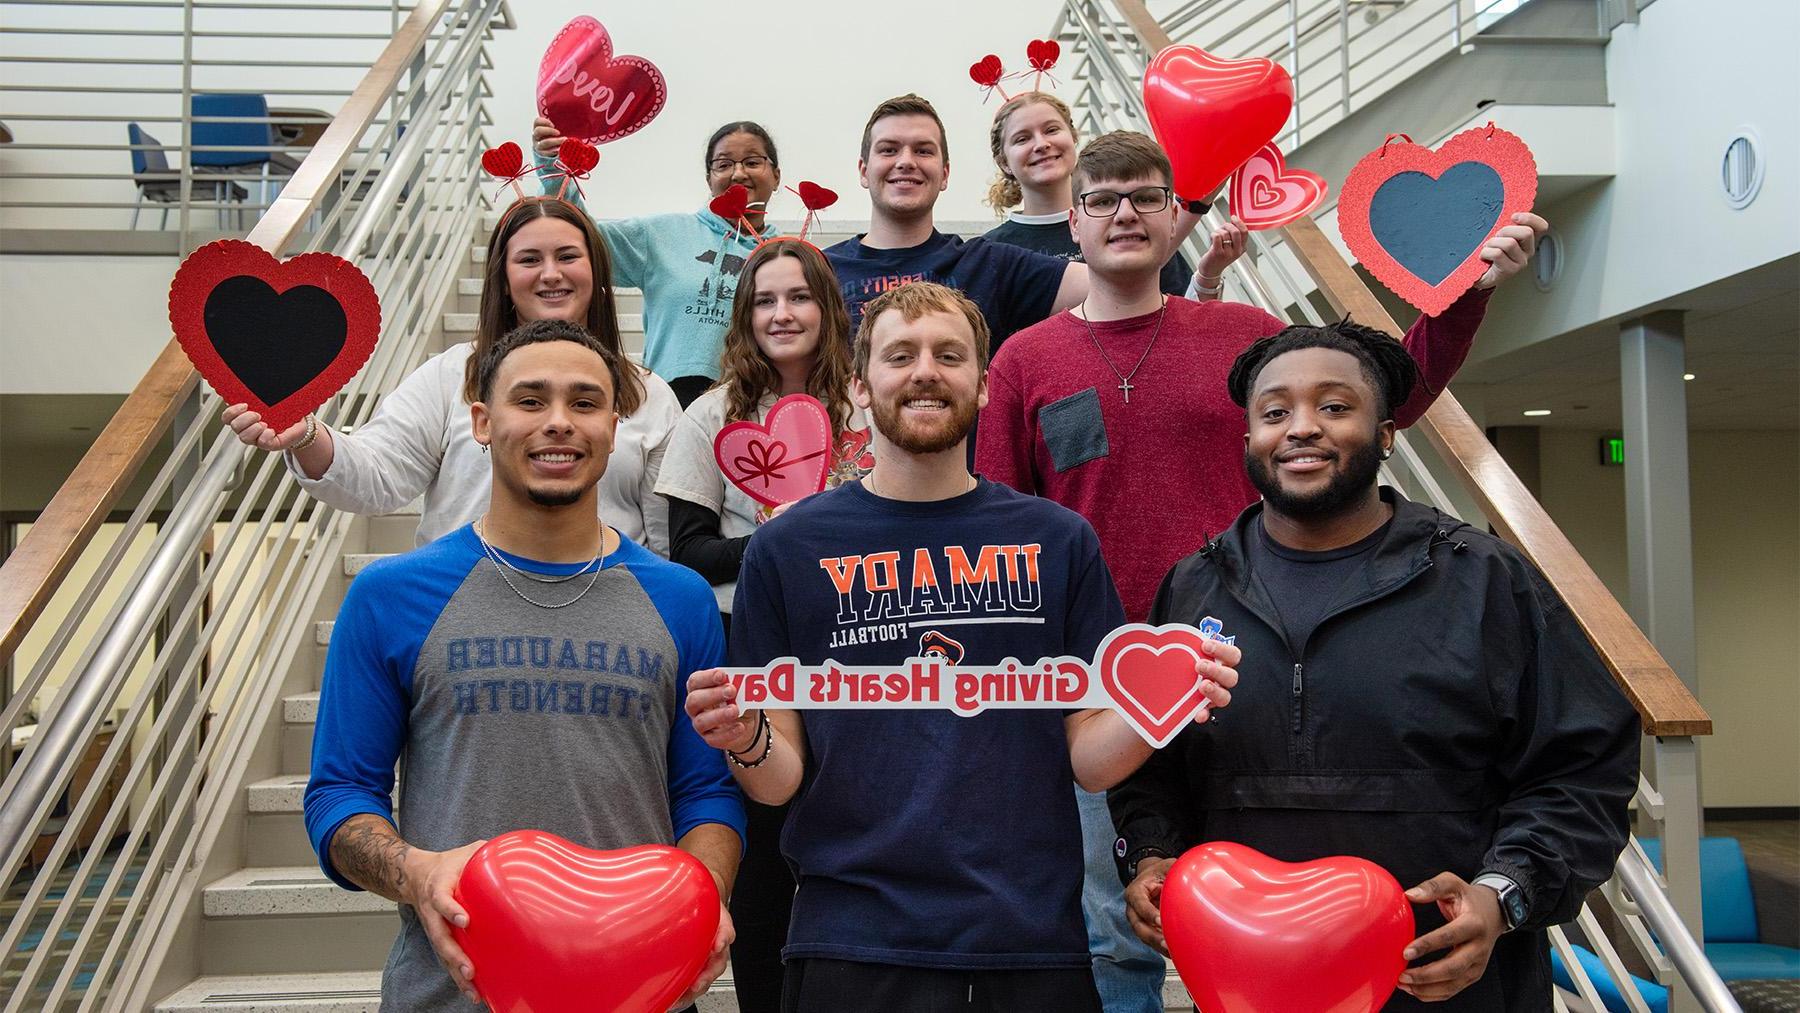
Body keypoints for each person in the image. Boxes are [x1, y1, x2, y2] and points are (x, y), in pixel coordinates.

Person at [682, 282, 1241, 1012]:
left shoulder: (1058, 539)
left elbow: (1089, 760)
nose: (925, 371)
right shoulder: (788, 546)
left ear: (981, 387)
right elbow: (775, 780)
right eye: (900, 355)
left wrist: (1163, 704)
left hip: (1028, 936)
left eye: (950, 356)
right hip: (851, 935)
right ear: (858, 384)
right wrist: (744, 735)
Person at [1109, 320, 1638, 1011]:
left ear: (1387, 434)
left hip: (1446, 980)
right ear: (1249, 442)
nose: (1301, 428)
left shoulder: (1482, 580)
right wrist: (1152, 856)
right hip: (1247, 980)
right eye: (1275, 412)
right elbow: (1151, 764)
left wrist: (1502, 894)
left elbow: (1582, 764)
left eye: (1334, 406)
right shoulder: (1194, 588)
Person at [301, 318, 746, 1012]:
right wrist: (418, 873)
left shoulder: (681, 600)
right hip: (447, 997)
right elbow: (337, 797)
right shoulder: (390, 597)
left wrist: (705, 894)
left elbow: (708, 793)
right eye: (530, 400)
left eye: (586, 402)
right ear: (481, 420)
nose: (560, 423)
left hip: (643, 990)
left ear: (616, 423)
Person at [979, 130, 1549, 622]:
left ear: (1174, 215)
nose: (1126, 214)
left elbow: (1385, 396)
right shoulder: (1022, 362)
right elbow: (998, 528)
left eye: (1147, 198)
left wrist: (1465, 296)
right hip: (1093, 651)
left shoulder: (1248, 335)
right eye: (1103, 201)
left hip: (1254, 632)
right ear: (1074, 224)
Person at [653, 236, 872, 1013]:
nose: (783, 313)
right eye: (765, 299)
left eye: (799, 296)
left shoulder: (871, 404)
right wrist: (788, 531)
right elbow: (690, 551)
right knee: (768, 861)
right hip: (752, 655)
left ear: (828, 306)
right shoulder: (714, 412)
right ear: (745, 315)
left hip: (860, 655)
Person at [224, 197, 683, 555]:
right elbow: (379, 477)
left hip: (606, 615)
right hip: (460, 610)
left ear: (596, 272)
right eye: (529, 260)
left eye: (567, 256)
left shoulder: (648, 394)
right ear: (502, 278)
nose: (550, 274)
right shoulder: (450, 376)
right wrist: (305, 434)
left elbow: (665, 538)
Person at [533, 116, 784, 405]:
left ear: (776, 175)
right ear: (709, 179)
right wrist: (553, 165)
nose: (738, 173)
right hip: (666, 399)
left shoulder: (784, 254)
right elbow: (582, 239)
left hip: (751, 403)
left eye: (752, 162)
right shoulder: (662, 234)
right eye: (724, 164)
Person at [982, 90, 1238, 299]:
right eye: (1022, 139)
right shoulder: (991, 251)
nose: (1041, 144)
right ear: (1003, 161)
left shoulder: (1137, 223)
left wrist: (1208, 274)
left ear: (1072, 137)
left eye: (1051, 130)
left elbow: (1182, 313)